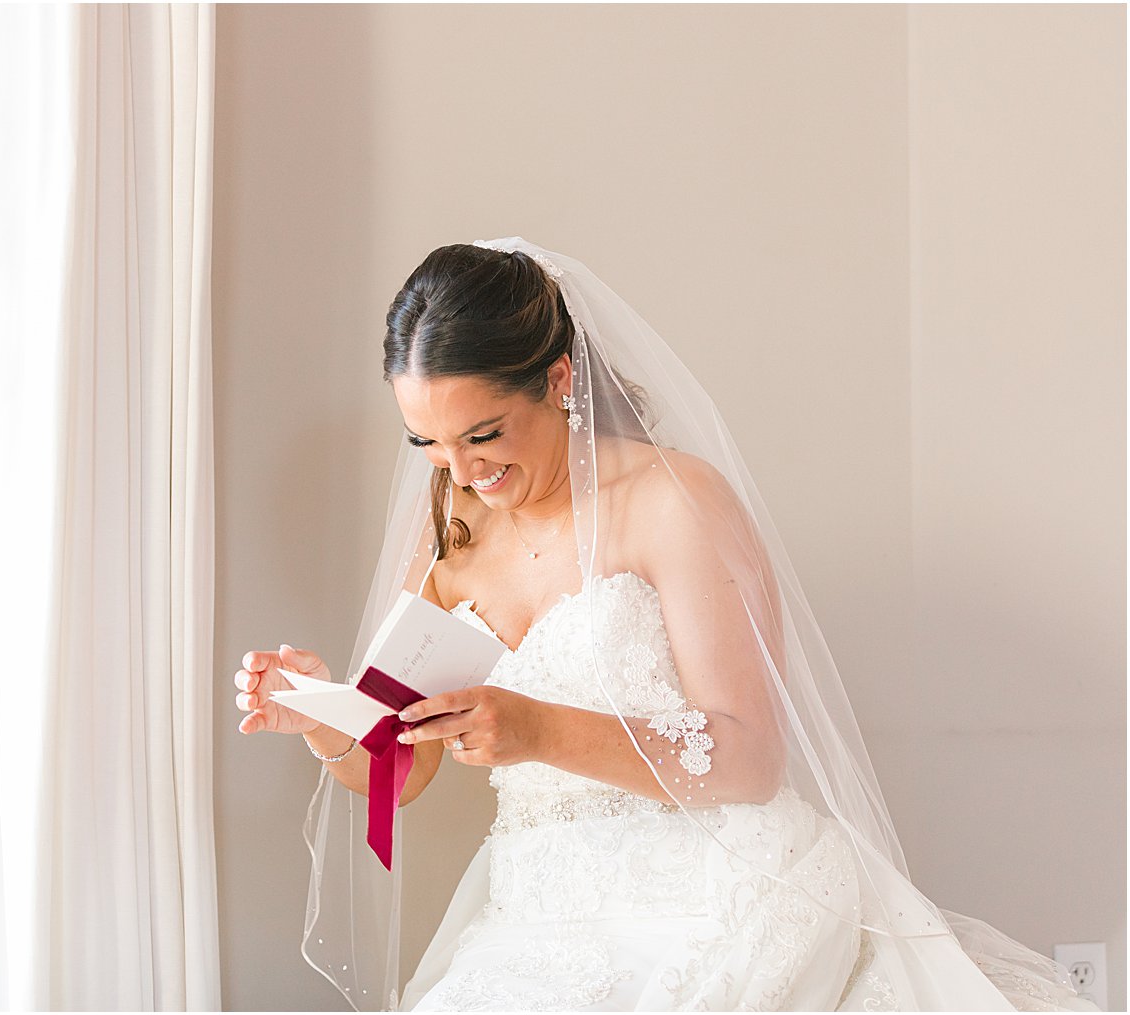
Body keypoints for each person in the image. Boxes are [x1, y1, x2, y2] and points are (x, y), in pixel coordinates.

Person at [234, 238, 1099, 1011]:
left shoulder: (671, 500)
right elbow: (403, 767)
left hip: (723, 886)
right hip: (535, 916)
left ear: (560, 379)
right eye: (427, 443)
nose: (461, 470)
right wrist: (325, 721)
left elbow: (752, 755)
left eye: (484, 433)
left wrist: (535, 728)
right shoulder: (447, 532)